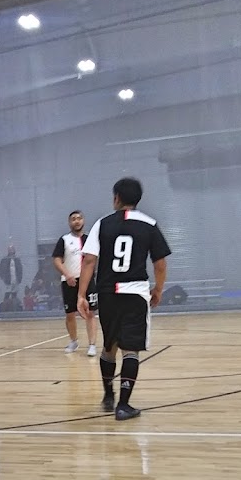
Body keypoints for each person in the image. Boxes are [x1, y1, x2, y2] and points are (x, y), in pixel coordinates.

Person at [78, 178, 171, 421]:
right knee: (131, 350)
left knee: (109, 347)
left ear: (116, 198)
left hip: (108, 293)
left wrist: (81, 295)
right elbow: (160, 264)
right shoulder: (149, 224)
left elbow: (89, 261)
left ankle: (108, 396)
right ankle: (123, 405)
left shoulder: (102, 224)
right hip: (135, 293)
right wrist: (158, 289)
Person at [53, 211, 99, 356]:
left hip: (88, 281)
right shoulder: (64, 240)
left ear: (83, 221)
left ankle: (92, 345)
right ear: (69, 223)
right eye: (73, 219)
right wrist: (67, 274)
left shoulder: (90, 239)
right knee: (70, 314)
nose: (77, 221)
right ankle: (73, 341)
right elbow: (57, 260)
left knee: (90, 312)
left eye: (79, 218)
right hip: (69, 282)